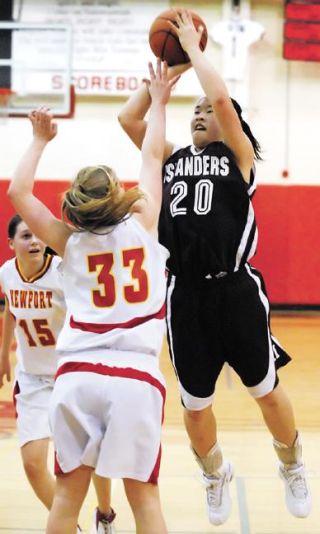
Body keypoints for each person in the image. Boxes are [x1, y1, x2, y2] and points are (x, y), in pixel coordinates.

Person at [118, 9, 311, 526]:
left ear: (231, 127)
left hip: (236, 290)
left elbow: (223, 99)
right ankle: (213, 472)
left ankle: (291, 461)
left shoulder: (238, 158)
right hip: (184, 295)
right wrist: (167, 68)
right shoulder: (172, 158)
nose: (201, 112)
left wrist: (197, 51)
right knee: (196, 404)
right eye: (194, 109)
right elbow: (129, 121)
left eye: (209, 109)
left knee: (266, 391)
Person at [7, 58, 178, 534]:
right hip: (135, 379)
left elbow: (20, 193)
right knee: (144, 501)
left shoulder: (70, 242)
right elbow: (150, 154)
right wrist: (159, 99)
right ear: (117, 196)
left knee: (66, 499)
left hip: (77, 376)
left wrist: (40, 141)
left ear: (76, 207)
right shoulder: (143, 226)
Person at [0, 215, 116, 534]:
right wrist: (3, 355)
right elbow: (11, 307)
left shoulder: (62, 271)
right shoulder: (7, 274)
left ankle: (105, 514)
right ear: (11, 245)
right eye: (25, 236)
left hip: (71, 375)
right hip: (34, 380)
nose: (35, 241)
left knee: (92, 453)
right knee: (33, 463)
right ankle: (72, 527)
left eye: (37, 234)